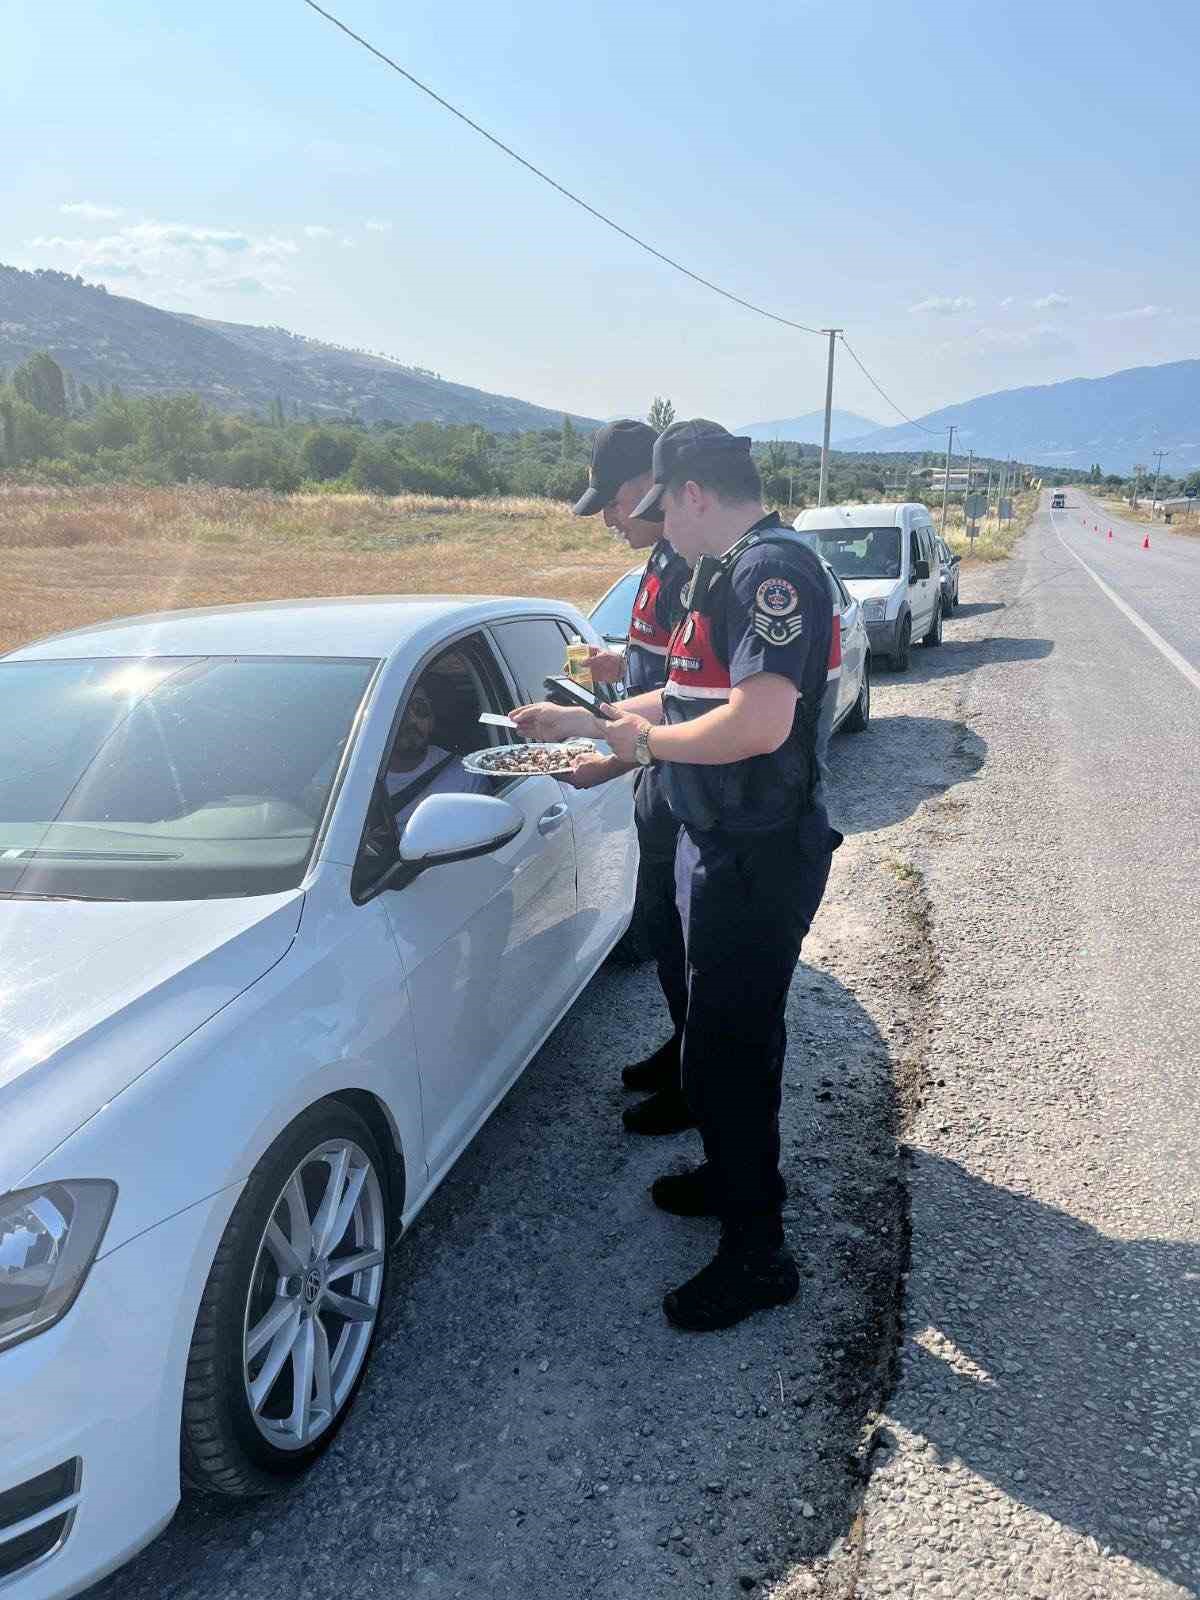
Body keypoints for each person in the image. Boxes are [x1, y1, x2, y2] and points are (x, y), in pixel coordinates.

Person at [575, 419, 843, 1332]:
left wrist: (641, 743)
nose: (657, 525)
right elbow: (690, 695)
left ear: (691, 492)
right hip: (713, 838)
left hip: (756, 852)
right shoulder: (719, 572)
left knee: (731, 1052)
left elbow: (759, 722)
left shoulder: (773, 571)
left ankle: (758, 1252)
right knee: (711, 1047)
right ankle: (733, 1183)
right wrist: (594, 732)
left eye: (660, 507)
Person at [516, 419, 694, 1135]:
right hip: (657, 778)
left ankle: (694, 1080)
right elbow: (660, 664)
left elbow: (690, 700)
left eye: (612, 507)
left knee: (685, 940)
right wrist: (613, 664)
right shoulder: (658, 566)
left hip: (679, 775)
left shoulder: (687, 564)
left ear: (640, 487)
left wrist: (605, 762)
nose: (611, 522)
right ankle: (683, 1048)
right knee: (660, 924)